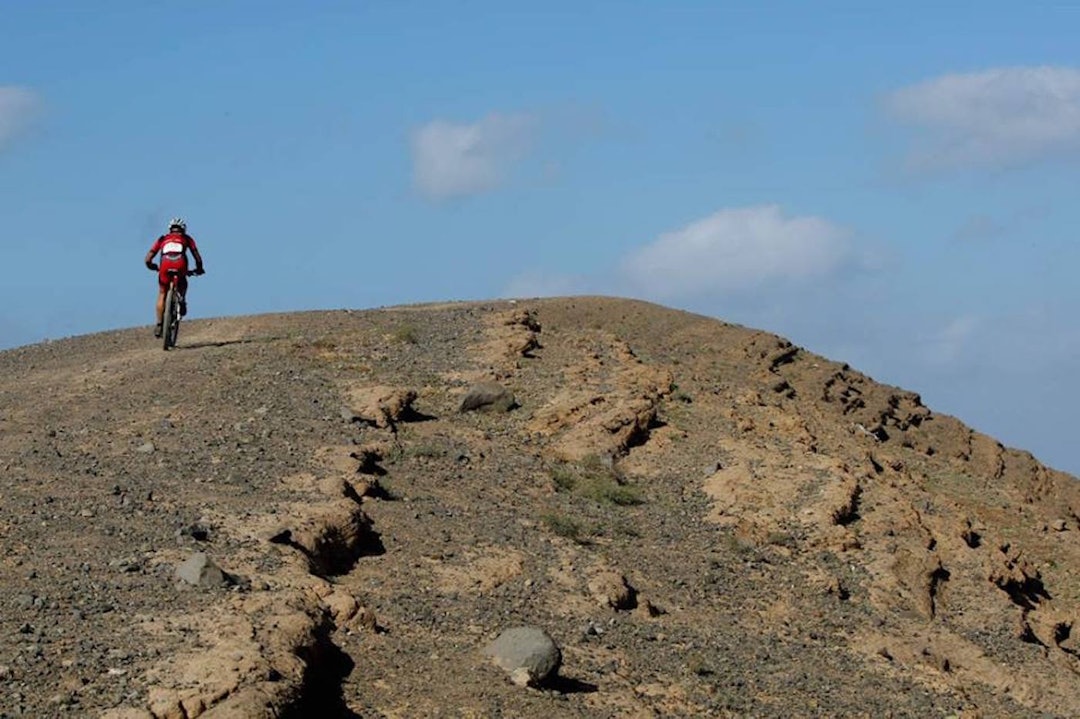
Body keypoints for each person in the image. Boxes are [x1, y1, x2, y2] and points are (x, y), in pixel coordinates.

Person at [144, 217, 205, 338]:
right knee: (183, 283)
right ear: (183, 229)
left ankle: (160, 324)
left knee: (162, 293)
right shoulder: (187, 239)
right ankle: (182, 300)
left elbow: (148, 258)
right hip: (180, 264)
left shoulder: (162, 239)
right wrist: (199, 269)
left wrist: (151, 266)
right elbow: (197, 256)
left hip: (165, 266)